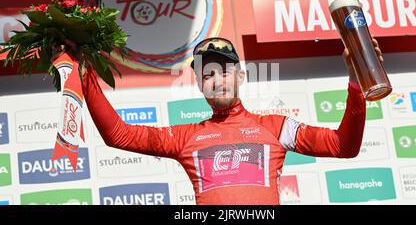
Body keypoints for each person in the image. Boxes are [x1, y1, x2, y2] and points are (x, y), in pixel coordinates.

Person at [80, 37, 384, 205]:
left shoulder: (276, 128)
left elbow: (344, 145)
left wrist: (356, 82)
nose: (217, 80)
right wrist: (83, 72)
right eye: (208, 74)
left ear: (240, 76)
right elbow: (118, 134)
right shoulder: (185, 136)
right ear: (199, 85)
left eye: (224, 71)